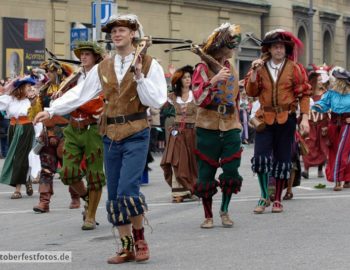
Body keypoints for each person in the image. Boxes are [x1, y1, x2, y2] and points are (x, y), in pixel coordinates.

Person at [34, 14, 167, 264]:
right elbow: (80, 94)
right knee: (115, 194)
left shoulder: (149, 64)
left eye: (122, 30)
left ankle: (140, 239)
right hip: (110, 135)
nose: (116, 34)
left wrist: (139, 76)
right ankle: (126, 247)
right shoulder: (103, 66)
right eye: (113, 31)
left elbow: (157, 100)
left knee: (128, 190)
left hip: (137, 132)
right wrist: (51, 110)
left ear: (133, 34)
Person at [34, 41, 106, 229]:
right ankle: (87, 198)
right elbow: (60, 98)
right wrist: (57, 102)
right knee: (67, 172)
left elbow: (96, 104)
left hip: (93, 130)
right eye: (81, 54)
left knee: (95, 175)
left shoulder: (102, 74)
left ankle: (90, 216)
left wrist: (68, 101)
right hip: (73, 129)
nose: (83, 57)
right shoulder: (74, 76)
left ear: (96, 57)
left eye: (87, 54)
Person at [245, 29, 311, 214]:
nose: (278, 50)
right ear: (269, 49)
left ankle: (277, 200)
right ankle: (263, 196)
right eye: (275, 47)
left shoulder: (295, 68)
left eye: (281, 47)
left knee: (283, 160)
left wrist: (305, 118)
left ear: (286, 49)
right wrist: (253, 74)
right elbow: (251, 92)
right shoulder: (260, 67)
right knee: (260, 159)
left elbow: (304, 94)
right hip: (264, 119)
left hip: (286, 118)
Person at [192, 23, 243, 229]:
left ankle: (224, 209)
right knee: (206, 172)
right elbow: (197, 97)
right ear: (220, 47)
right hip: (207, 125)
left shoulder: (232, 69)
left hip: (230, 124)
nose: (233, 49)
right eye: (230, 46)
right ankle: (208, 215)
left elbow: (236, 98)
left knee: (231, 169)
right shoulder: (202, 68)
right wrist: (213, 80)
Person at [31, 59, 79, 213]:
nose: (47, 74)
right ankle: (44, 202)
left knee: (69, 168)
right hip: (47, 134)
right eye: (47, 72)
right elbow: (35, 114)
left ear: (58, 72)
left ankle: (76, 196)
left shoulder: (71, 89)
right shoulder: (44, 90)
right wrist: (33, 103)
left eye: (50, 71)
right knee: (46, 169)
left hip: (67, 134)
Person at [160, 65, 198, 203]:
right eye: (184, 77)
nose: (187, 79)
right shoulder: (172, 97)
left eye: (189, 77)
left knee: (191, 163)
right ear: (179, 80)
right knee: (176, 161)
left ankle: (190, 189)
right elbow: (159, 103)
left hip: (192, 132)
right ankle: (178, 193)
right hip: (177, 134)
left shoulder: (196, 95)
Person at [312, 67, 350, 191]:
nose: (334, 82)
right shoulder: (331, 93)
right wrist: (318, 106)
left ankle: (338, 179)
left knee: (342, 152)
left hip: (347, 125)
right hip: (333, 124)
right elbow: (324, 104)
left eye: (337, 80)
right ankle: (347, 178)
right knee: (334, 152)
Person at [0, 77, 36, 198]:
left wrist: (34, 100)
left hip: (26, 128)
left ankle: (17, 189)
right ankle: (26, 179)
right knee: (14, 157)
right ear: (20, 88)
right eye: (27, 87)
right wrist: (8, 87)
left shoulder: (32, 100)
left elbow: (38, 113)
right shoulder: (10, 99)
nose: (30, 89)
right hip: (13, 128)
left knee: (21, 157)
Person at [301, 64, 330, 179]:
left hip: (321, 124)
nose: (320, 82)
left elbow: (329, 111)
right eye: (318, 80)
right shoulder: (308, 94)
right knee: (309, 145)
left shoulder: (326, 94)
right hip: (310, 124)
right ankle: (306, 169)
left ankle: (320, 169)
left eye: (321, 80)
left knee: (321, 147)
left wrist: (326, 125)